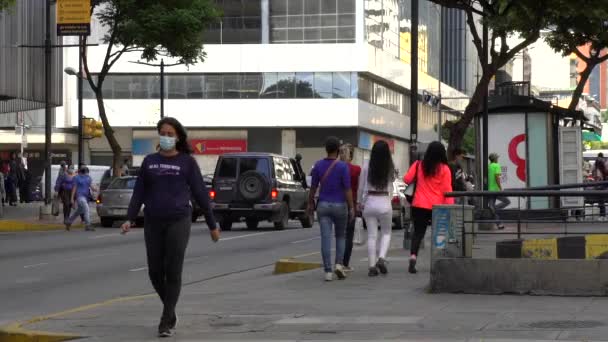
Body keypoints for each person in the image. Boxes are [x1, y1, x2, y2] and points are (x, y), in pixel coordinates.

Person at [120, 117, 220, 338]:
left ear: (178, 137)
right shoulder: (149, 161)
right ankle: (171, 310)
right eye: (162, 133)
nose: (165, 137)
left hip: (178, 220)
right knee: (155, 272)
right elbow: (139, 193)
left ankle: (165, 321)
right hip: (153, 221)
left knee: (173, 270)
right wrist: (129, 218)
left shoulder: (187, 162)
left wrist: (212, 224)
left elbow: (201, 194)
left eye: (170, 134)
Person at [307, 136, 354, 282]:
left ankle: (328, 271)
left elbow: (313, 188)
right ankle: (339, 264)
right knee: (341, 236)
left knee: (325, 238)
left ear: (326, 149)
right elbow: (347, 189)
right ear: (338, 150)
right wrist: (351, 207)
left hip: (323, 205)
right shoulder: (342, 167)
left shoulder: (318, 165)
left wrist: (310, 203)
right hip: (340, 205)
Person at [404, 141, 453, 274]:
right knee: (439, 233)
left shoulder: (419, 164)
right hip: (437, 206)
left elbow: (406, 179)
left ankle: (413, 257)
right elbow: (447, 190)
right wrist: (450, 208)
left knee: (418, 232)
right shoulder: (445, 169)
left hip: (419, 204)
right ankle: (437, 262)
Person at [358, 140, 395, 277]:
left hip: (370, 202)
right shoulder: (390, 167)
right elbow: (391, 187)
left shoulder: (366, 166)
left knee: (372, 236)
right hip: (384, 201)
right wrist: (389, 200)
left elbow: (361, 187)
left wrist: (358, 202)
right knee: (386, 233)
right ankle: (382, 258)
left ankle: (372, 266)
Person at [339, 143, 361, 273]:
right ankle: (345, 263)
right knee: (349, 235)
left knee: (339, 234)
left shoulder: (335, 167)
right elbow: (359, 187)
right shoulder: (356, 169)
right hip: (351, 202)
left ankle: (338, 262)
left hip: (337, 202)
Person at [65, 166, 96, 231]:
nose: (87, 174)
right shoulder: (76, 178)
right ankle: (88, 225)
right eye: (86, 173)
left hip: (86, 197)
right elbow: (74, 188)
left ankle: (69, 222)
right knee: (86, 208)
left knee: (79, 211)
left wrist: (95, 189)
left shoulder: (88, 178)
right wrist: (72, 198)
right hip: (80, 196)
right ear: (82, 173)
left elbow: (91, 186)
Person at [488, 153, 510, 229]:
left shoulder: (489, 166)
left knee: (491, 206)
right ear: (494, 159)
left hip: (490, 190)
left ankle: (499, 223)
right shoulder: (496, 165)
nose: (498, 159)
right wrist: (500, 188)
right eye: (497, 158)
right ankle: (494, 209)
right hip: (496, 190)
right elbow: (497, 177)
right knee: (507, 201)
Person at [593, 153, 608, 220]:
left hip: (599, 185)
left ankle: (602, 215)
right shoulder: (604, 164)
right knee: (601, 200)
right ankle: (603, 215)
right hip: (603, 185)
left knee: (601, 200)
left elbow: (595, 175)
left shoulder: (596, 167)